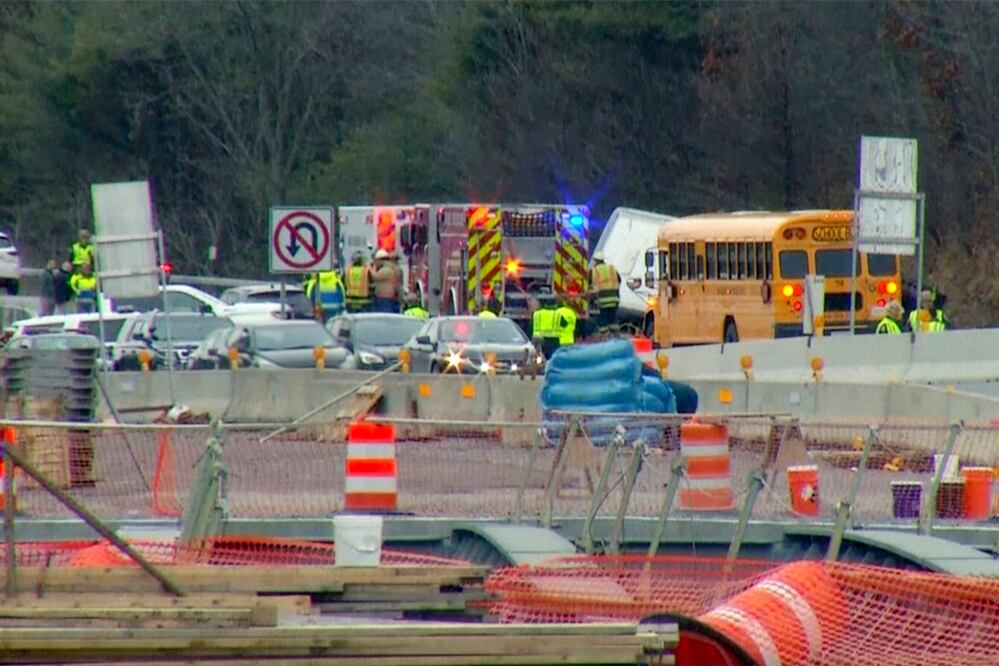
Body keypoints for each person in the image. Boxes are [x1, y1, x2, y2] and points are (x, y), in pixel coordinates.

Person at [589, 251, 620, 334]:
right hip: (614, 300)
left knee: (602, 321)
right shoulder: (612, 268)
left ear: (596, 261)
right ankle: (616, 336)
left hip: (602, 300)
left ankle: (605, 337)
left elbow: (588, 284)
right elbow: (619, 280)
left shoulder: (594, 271)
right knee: (612, 320)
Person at [371, 248, 399, 313]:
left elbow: (375, 276)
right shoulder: (389, 268)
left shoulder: (387, 269)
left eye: (376, 261)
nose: (376, 263)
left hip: (385, 299)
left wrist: (372, 268)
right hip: (383, 298)